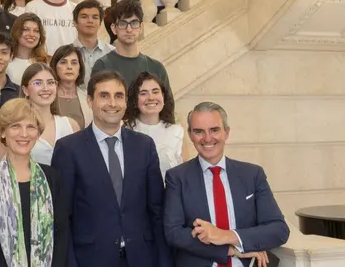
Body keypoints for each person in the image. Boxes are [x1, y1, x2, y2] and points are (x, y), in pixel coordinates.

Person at [51, 70, 172, 267]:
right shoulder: (68, 149)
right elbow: (62, 217)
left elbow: (156, 211)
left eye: (119, 96)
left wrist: (164, 262)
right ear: (90, 101)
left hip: (141, 258)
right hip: (90, 260)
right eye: (104, 96)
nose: (113, 103)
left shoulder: (144, 146)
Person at [164, 102, 290, 267]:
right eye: (199, 131)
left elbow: (279, 229)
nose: (207, 138)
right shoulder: (177, 177)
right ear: (190, 135)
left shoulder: (252, 174)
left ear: (227, 132)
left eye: (214, 130)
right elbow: (173, 233)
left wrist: (226, 236)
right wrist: (229, 250)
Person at [0, 98, 70, 267]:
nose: (24, 134)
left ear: (38, 134)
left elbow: (61, 233)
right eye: (15, 126)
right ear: (3, 132)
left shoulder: (52, 177)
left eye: (30, 127)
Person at [92, 0, 173, 107]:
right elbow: (98, 107)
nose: (129, 29)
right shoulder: (102, 65)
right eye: (122, 23)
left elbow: (168, 108)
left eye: (134, 23)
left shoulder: (156, 68)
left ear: (141, 27)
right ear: (114, 28)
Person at [1, 63, 79, 164]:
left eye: (50, 82)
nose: (45, 88)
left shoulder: (71, 125)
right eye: (38, 83)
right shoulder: (12, 127)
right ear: (25, 90)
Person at [124, 72, 183, 177]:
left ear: (163, 96)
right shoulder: (124, 130)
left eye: (155, 92)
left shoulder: (177, 131)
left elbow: (185, 173)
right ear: (135, 100)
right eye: (143, 93)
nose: (151, 97)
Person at [51, 44, 93, 128]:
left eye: (74, 63)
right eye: (63, 62)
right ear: (55, 68)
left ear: (80, 70)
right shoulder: (47, 95)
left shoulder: (87, 97)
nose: (69, 67)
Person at [73, 0, 115, 79]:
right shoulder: (65, 54)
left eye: (95, 17)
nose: (90, 21)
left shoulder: (113, 53)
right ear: (75, 22)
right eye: (84, 17)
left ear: (100, 23)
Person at [7, 13, 49, 86]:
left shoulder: (47, 62)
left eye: (36, 31)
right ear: (16, 31)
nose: (31, 34)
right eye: (26, 29)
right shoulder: (5, 61)